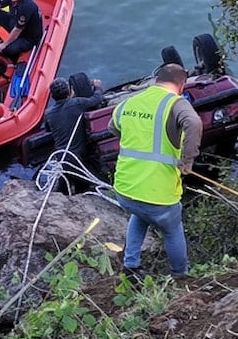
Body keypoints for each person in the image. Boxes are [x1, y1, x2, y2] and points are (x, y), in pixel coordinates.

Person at [109, 63, 202, 279]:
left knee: (140, 213)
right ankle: (180, 275)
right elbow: (194, 122)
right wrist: (187, 161)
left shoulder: (129, 102)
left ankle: (131, 264)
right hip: (159, 195)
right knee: (172, 229)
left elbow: (112, 128)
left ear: (156, 79)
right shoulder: (175, 103)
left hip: (125, 190)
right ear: (182, 85)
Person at [44, 76, 105, 193]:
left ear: (52, 96)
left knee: (65, 189)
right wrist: (98, 87)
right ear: (69, 91)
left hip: (61, 158)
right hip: (78, 158)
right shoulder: (77, 103)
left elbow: (48, 129)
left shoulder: (48, 113)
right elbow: (96, 99)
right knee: (92, 185)